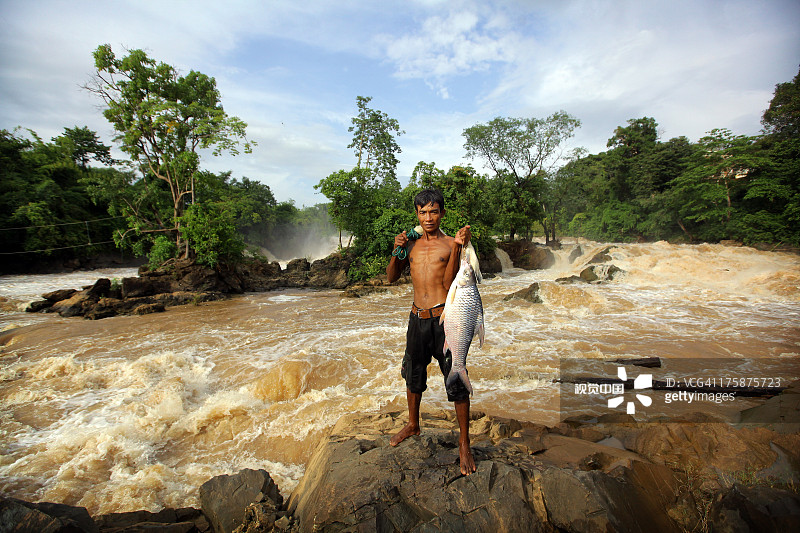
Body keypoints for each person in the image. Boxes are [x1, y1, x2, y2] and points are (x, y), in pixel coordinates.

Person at [386, 188, 477, 476]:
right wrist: (396, 248)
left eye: (433, 211)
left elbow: (451, 281)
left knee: (456, 375)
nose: (428, 217)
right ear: (417, 214)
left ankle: (464, 443)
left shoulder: (452, 244)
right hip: (417, 318)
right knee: (412, 373)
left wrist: (460, 247)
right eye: (423, 212)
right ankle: (413, 424)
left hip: (445, 320)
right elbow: (391, 277)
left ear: (442, 213)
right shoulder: (410, 245)